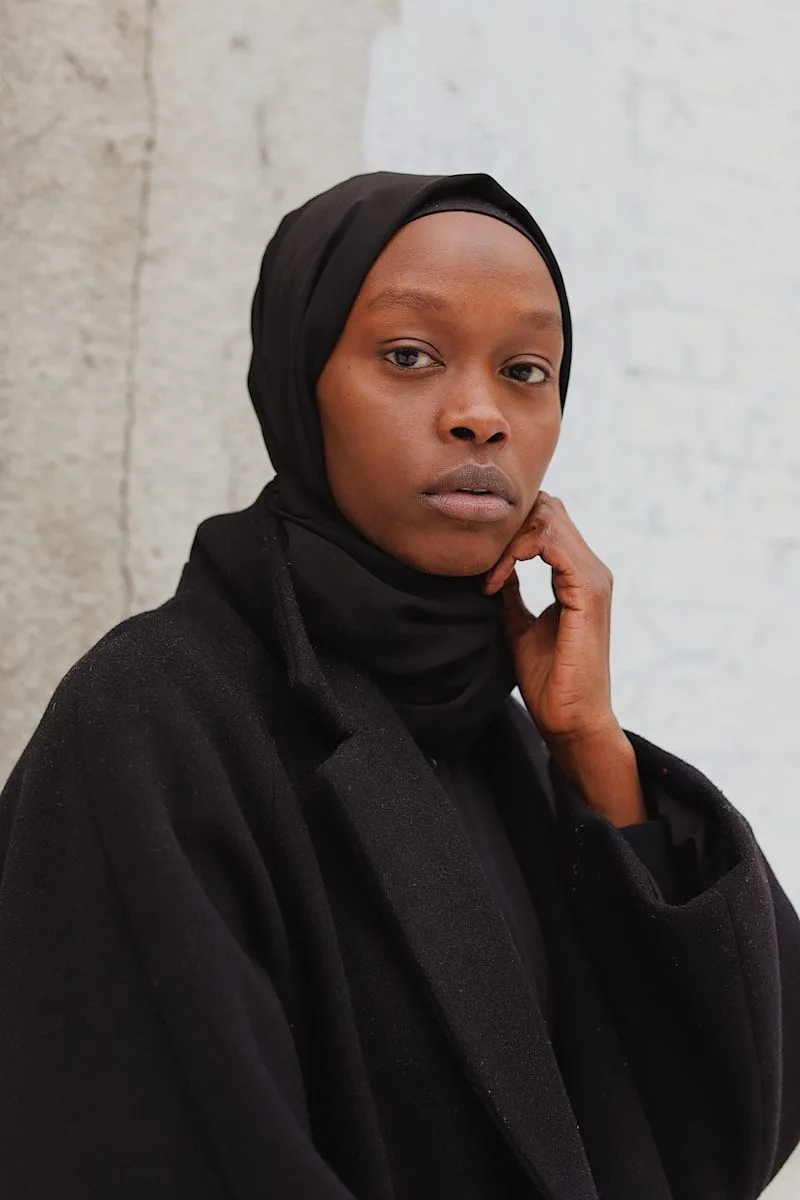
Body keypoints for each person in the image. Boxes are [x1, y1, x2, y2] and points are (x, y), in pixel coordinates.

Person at [0, 171, 798, 1200]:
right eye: (408, 355)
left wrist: (595, 754)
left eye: (524, 369)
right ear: (299, 381)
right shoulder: (153, 727)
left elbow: (732, 1122)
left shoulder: (511, 744)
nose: (479, 416)